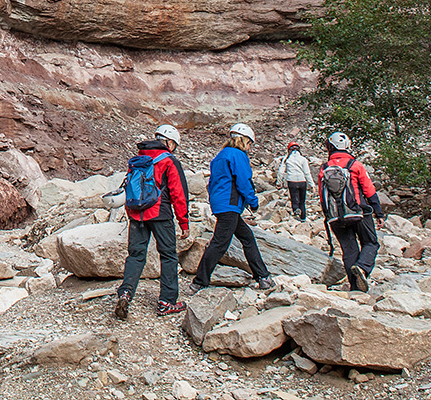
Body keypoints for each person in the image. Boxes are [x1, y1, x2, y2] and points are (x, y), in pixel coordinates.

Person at [113, 122, 191, 320]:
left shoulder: (140, 158)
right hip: (160, 214)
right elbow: (179, 194)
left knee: (136, 255)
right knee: (168, 256)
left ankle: (125, 293)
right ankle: (167, 302)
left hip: (137, 214)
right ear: (171, 143)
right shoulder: (168, 160)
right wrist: (184, 222)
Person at [190, 123, 275, 294]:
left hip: (221, 205)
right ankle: (199, 281)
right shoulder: (238, 155)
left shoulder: (220, 156)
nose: (250, 148)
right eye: (250, 144)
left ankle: (263, 276)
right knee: (220, 243)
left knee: (247, 238)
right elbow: (244, 180)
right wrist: (253, 201)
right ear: (244, 141)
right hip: (230, 205)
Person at [318, 131, 385, 292]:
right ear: (347, 146)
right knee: (371, 243)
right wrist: (379, 213)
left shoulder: (324, 169)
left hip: (336, 217)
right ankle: (362, 267)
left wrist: (328, 217)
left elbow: (322, 197)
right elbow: (369, 190)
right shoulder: (355, 165)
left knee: (349, 250)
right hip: (359, 212)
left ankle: (355, 287)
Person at [281, 141, 311, 220]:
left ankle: (296, 212)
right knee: (302, 201)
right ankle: (303, 217)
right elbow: (307, 172)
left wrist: (279, 182)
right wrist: (312, 184)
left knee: (294, 199)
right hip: (302, 181)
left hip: (292, 181)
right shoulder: (303, 159)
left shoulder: (286, 159)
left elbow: (281, 171)